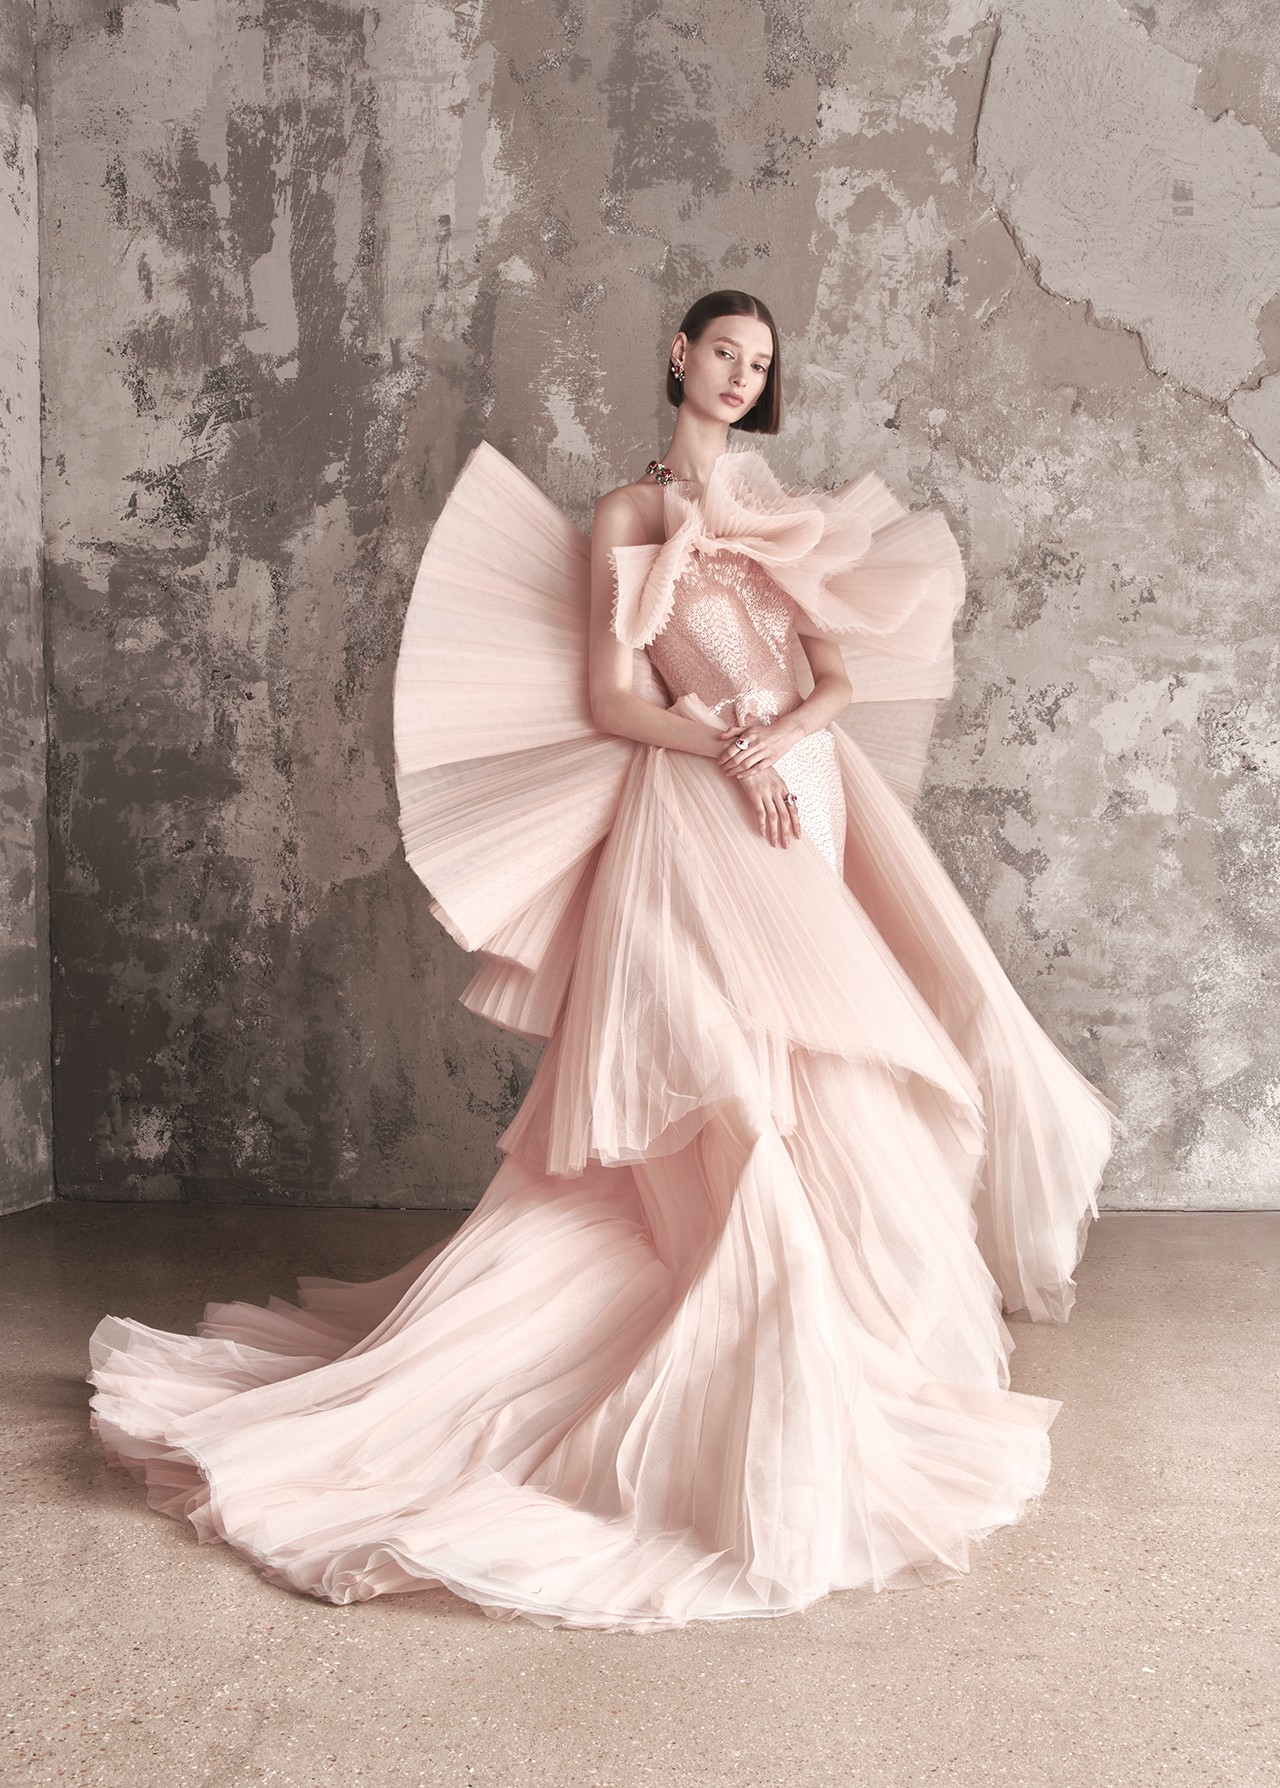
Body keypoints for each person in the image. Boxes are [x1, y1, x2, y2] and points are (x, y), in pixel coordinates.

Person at [87, 289, 1114, 1634]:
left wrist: (788, 728)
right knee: (719, 1092)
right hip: (695, 818)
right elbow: (613, 702)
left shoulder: (767, 505)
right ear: (680, 356)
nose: (743, 376)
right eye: (725, 354)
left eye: (763, 363)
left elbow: (840, 674)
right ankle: (756, 1386)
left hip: (804, 807)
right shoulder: (631, 518)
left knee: (825, 1075)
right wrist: (732, 748)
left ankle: (835, 1347)